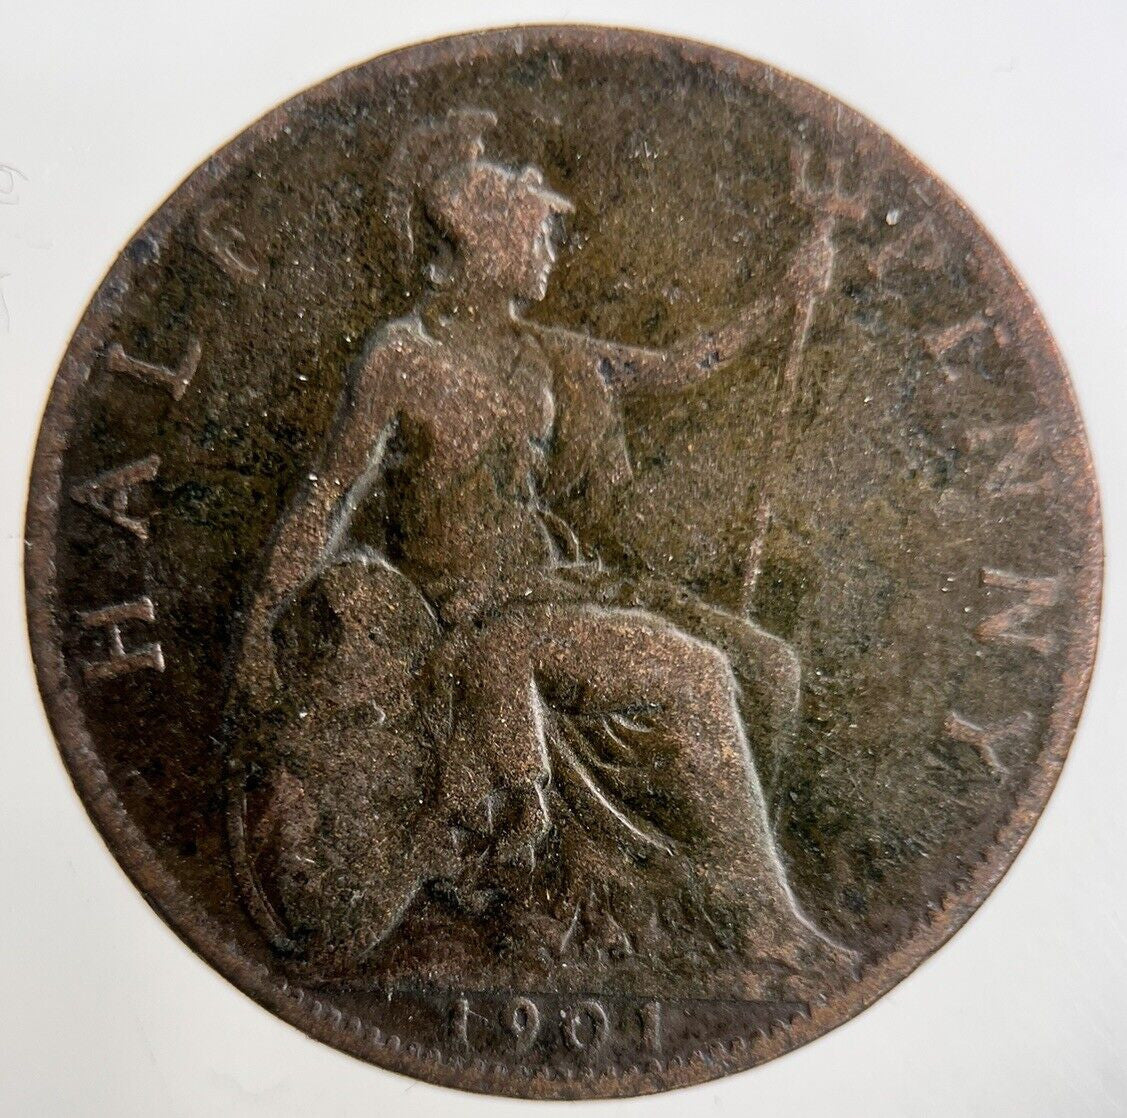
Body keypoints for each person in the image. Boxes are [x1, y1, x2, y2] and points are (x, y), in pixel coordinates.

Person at [227, 109, 851, 994]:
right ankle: (764, 929)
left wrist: (784, 298)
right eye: (536, 231)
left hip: (554, 588)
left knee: (772, 668)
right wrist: (263, 622)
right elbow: (328, 495)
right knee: (698, 674)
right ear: (479, 239)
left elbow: (682, 366)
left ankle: (713, 896)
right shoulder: (403, 358)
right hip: (477, 618)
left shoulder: (546, 356)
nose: (552, 250)